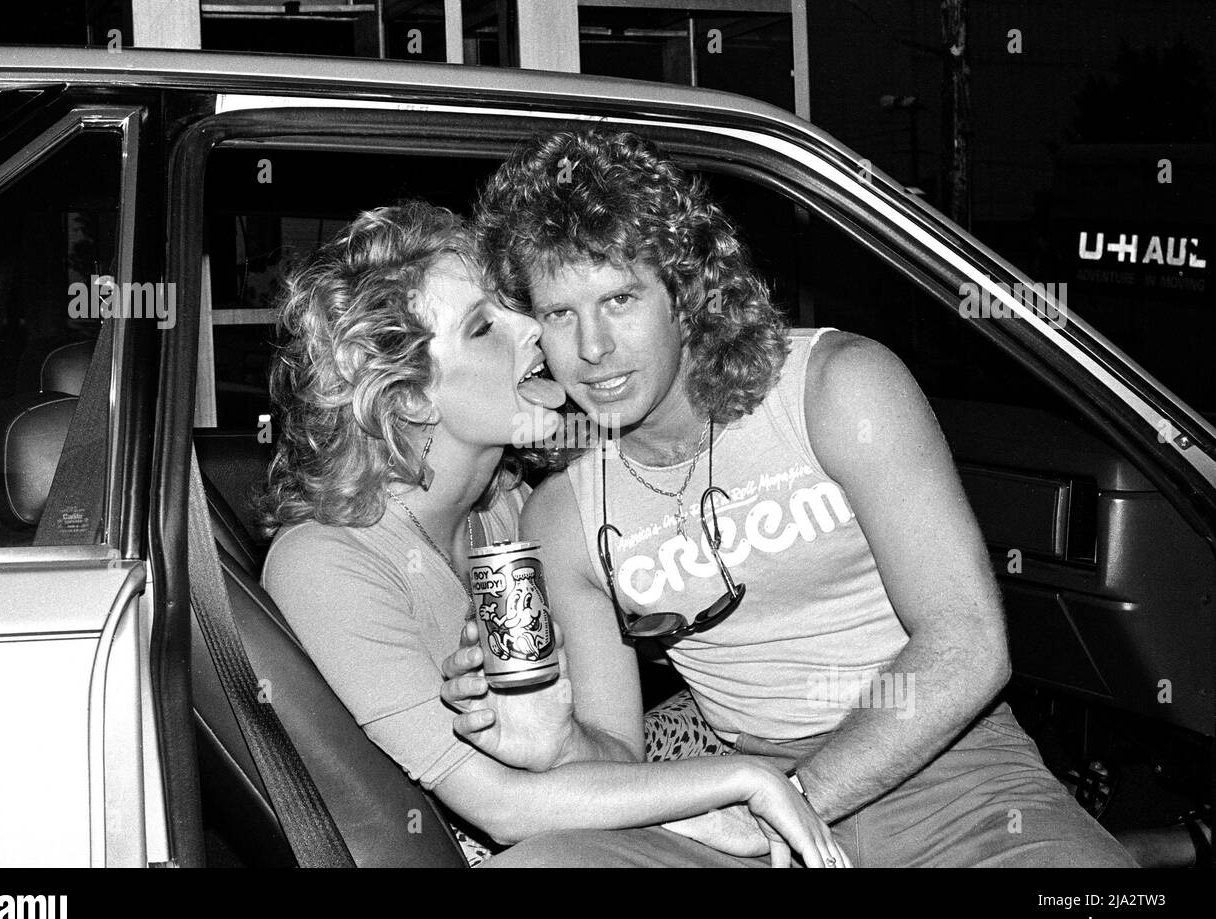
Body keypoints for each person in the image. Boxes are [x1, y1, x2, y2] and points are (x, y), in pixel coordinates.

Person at [450, 128, 1140, 867]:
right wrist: (556, 741)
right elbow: (616, 752)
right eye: (560, 314)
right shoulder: (565, 515)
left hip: (949, 770)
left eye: (620, 298)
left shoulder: (836, 388)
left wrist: (795, 803)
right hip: (739, 785)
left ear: (685, 292)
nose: (593, 347)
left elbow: (969, 643)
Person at [257, 199, 850, 868]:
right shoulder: (325, 563)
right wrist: (739, 785)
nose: (533, 327)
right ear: (410, 397)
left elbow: (606, 748)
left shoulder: (512, 509)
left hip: (569, 817)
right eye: (484, 328)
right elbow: (502, 809)